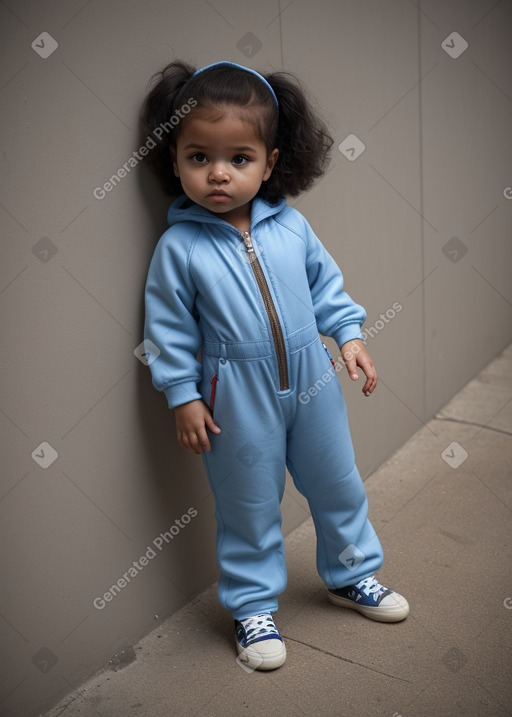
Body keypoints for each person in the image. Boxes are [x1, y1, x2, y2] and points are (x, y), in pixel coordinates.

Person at [142, 60, 409, 671]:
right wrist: (183, 394)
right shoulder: (179, 248)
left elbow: (327, 288)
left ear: (270, 162)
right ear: (174, 161)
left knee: (338, 485)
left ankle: (352, 576)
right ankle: (252, 607)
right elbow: (167, 332)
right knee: (248, 504)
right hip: (234, 393)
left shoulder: (291, 226)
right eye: (197, 157)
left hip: (313, 379)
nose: (217, 173)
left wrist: (349, 335)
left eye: (239, 157)